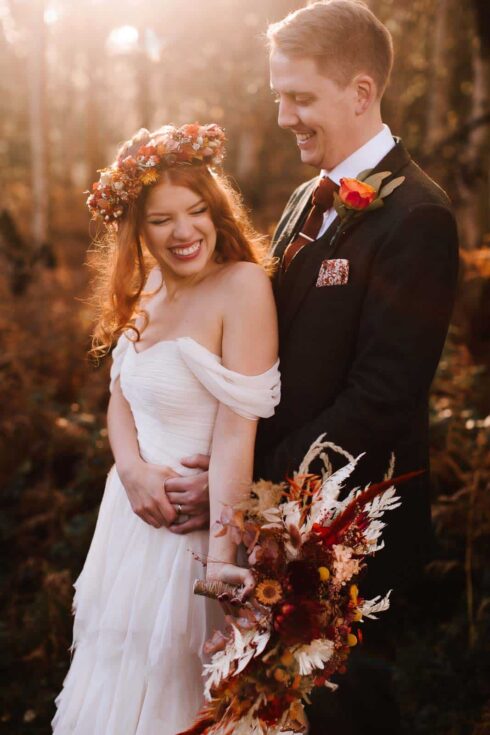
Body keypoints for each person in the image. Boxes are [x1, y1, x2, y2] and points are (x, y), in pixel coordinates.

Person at [168, 2, 459, 733]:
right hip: (277, 523)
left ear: (361, 92)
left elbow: (382, 397)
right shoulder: (308, 196)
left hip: (351, 539)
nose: (283, 117)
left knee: (346, 717)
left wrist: (251, 483)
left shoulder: (418, 217)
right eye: (279, 97)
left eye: (299, 98)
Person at [52, 123, 280, 735]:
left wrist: (220, 564)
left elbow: (236, 431)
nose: (184, 232)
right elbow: (120, 395)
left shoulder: (241, 287)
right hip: (130, 526)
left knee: (183, 700)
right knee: (117, 689)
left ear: (217, 210)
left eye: (197, 211)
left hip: (196, 537)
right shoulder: (149, 287)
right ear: (137, 229)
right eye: (162, 220)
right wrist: (129, 469)